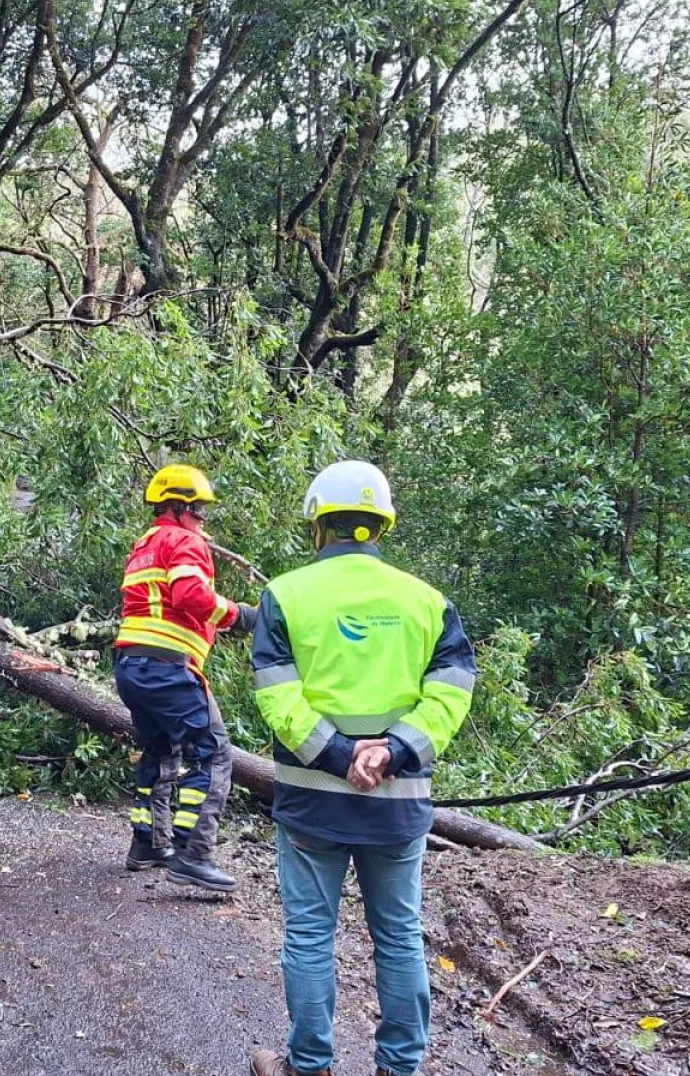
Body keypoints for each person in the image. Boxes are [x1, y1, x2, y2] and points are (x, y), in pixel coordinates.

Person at [248, 461, 477, 1076]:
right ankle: (400, 1068)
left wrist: (338, 755)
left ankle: (309, 1065)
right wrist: (394, 750)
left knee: (310, 936)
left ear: (319, 523)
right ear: (381, 525)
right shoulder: (427, 602)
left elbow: (276, 692)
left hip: (313, 799)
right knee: (400, 936)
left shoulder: (286, 595)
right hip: (398, 803)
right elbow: (452, 691)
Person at [113, 464, 255, 892]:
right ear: (177, 507)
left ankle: (150, 844)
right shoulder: (184, 540)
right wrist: (240, 614)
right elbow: (190, 595)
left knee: (159, 755)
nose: (203, 520)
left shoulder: (145, 545)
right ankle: (194, 853)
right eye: (198, 510)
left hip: (132, 667)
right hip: (168, 667)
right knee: (212, 754)